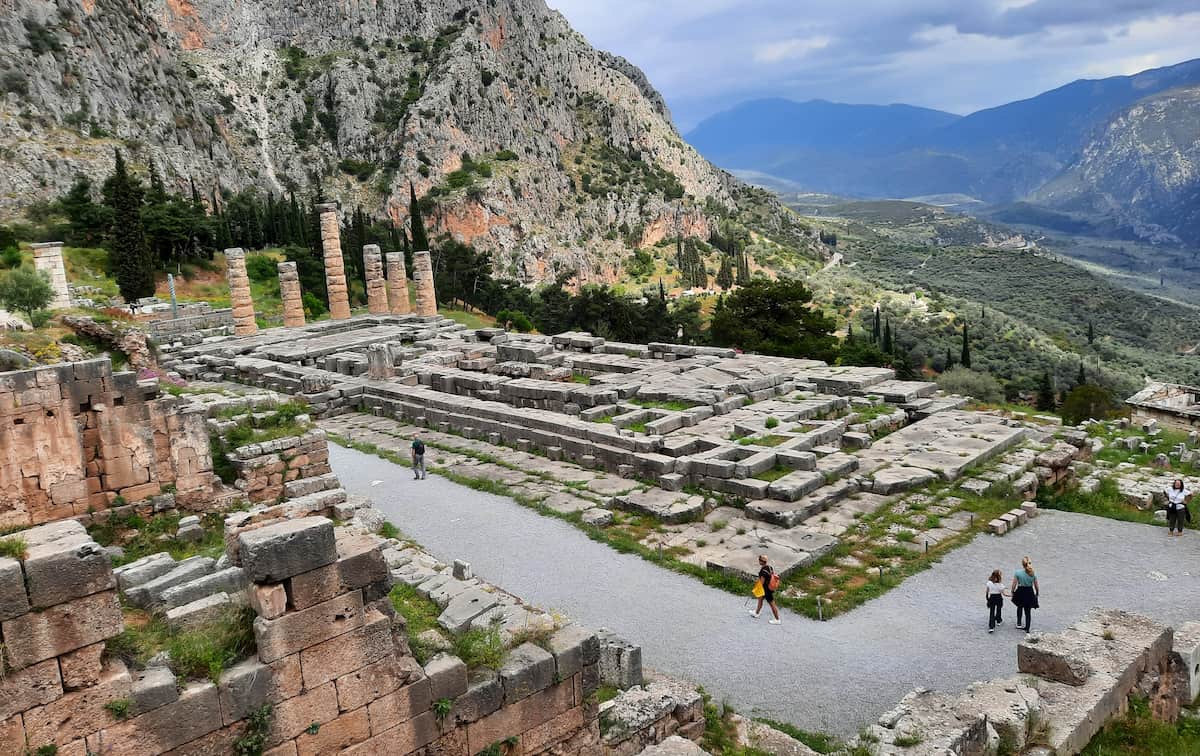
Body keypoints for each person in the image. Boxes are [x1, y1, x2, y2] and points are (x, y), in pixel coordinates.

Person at [750, 555, 781, 625]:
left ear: (761, 561)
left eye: (759, 560)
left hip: (766, 590)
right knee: (760, 599)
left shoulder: (763, 571)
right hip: (769, 588)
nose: (759, 561)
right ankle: (756, 613)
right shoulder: (769, 567)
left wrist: (756, 587)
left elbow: (761, 582)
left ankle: (777, 619)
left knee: (772, 604)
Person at [1010, 556, 1039, 633]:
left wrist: (1012, 591)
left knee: (1019, 607)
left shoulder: (1018, 573)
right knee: (1028, 611)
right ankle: (1027, 628)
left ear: (1022, 564)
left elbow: (1014, 584)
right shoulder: (1033, 573)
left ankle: (1019, 623)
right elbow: (1036, 585)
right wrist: (1037, 593)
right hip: (1029, 591)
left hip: (1020, 591)